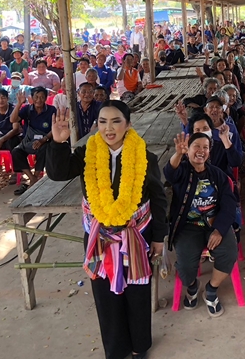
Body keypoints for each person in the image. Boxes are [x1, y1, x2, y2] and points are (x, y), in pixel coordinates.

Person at [47, 101, 168, 359]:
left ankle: (139, 346)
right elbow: (58, 172)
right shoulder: (86, 154)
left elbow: (158, 198)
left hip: (136, 236)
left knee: (137, 292)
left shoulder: (144, 157)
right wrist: (58, 142)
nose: (108, 128)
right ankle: (116, 350)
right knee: (105, 297)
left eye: (116, 121)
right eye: (102, 122)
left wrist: (159, 237)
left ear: (128, 124)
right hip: (98, 238)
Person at [164, 132, 238, 317]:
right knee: (185, 264)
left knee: (229, 253)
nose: (201, 151)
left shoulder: (217, 174)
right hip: (188, 226)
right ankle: (192, 286)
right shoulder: (182, 171)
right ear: (188, 149)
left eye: (205, 147)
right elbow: (169, 173)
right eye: (196, 146)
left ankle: (211, 290)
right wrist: (178, 154)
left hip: (214, 224)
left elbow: (229, 204)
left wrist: (219, 230)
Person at [10, 87, 56, 195]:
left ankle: (36, 175)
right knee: (16, 152)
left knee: (45, 149)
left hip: (45, 140)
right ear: (32, 97)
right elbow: (12, 119)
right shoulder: (27, 109)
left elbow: (55, 128)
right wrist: (19, 104)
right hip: (29, 141)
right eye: (36, 97)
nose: (39, 100)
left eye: (42, 97)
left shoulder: (51, 110)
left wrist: (43, 140)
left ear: (46, 98)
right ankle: (32, 178)